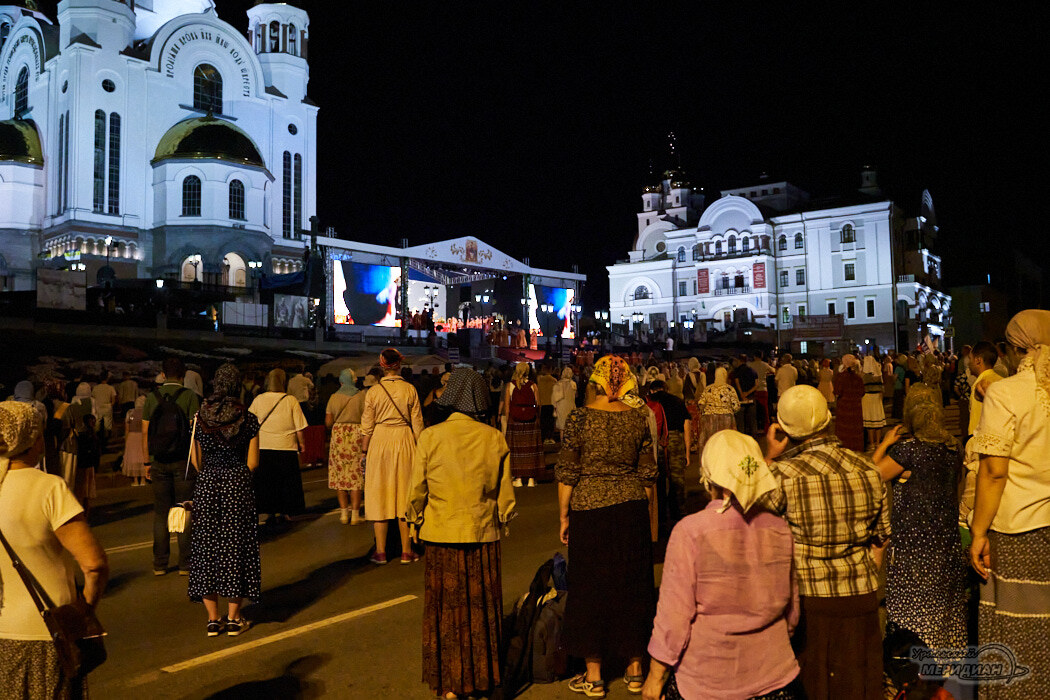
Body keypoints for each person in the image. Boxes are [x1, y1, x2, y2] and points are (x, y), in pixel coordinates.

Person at [644, 430, 802, 700]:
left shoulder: (690, 532)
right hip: (774, 676)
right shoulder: (779, 528)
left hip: (706, 681)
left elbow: (674, 616)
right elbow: (792, 613)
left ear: (710, 478)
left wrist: (656, 676)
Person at [764, 385, 890, 700]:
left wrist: (768, 456)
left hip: (808, 600)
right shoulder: (868, 469)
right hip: (860, 597)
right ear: (828, 419)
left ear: (785, 428)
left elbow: (755, 523)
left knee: (814, 686)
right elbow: (881, 539)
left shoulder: (782, 475)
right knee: (858, 687)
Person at [408, 368, 516, 700]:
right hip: (482, 534)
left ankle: (451, 686)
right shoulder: (493, 437)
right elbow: (505, 495)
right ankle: (480, 679)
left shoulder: (430, 436)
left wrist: (413, 519)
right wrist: (503, 518)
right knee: (479, 610)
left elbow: (416, 490)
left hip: (441, 534)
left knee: (446, 611)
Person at [556, 355, 656, 699]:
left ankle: (595, 675)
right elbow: (647, 474)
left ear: (596, 382)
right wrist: (642, 513)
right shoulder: (638, 417)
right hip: (631, 508)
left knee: (589, 586)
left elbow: (568, 472)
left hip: (590, 509)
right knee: (633, 584)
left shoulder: (580, 418)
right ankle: (635, 670)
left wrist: (564, 516)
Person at [0, 401, 109, 697]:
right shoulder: (48, 488)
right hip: (47, 633)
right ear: (34, 439)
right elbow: (94, 564)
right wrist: (83, 611)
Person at [970, 310, 1050, 698]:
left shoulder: (1006, 393)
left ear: (1015, 349)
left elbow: (993, 473)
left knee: (1018, 633)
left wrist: (978, 532)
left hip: (1020, 531)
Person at [873, 385, 967, 657]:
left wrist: (885, 443)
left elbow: (871, 474)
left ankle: (914, 665)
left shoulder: (908, 452)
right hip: (945, 541)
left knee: (913, 606)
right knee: (943, 606)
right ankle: (947, 662)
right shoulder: (954, 448)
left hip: (913, 545)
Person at [187, 364, 261, 638]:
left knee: (207, 549)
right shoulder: (248, 418)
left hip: (207, 486)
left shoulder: (199, 418)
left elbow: (196, 461)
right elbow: (253, 462)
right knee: (235, 547)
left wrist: (210, 472)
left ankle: (212, 619)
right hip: (237, 486)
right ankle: (233, 618)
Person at [361, 349, 424, 565]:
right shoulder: (410, 390)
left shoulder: (373, 392)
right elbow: (418, 425)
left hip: (380, 441)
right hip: (405, 440)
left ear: (382, 364)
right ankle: (407, 551)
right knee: (404, 494)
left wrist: (363, 452)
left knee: (379, 493)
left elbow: (366, 427)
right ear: (399, 365)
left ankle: (380, 551)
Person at [142, 357, 200, 575]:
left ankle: (160, 564)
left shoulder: (151, 398)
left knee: (161, 513)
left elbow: (146, 433)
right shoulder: (190, 397)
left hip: (158, 462)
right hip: (183, 463)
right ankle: (185, 564)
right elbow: (196, 435)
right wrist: (197, 464)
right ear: (183, 375)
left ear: (163, 375)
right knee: (184, 511)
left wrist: (147, 461)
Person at [248, 369, 308, 526]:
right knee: (285, 482)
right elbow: (299, 426)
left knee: (267, 482)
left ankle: (269, 511)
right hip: (286, 447)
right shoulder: (290, 400)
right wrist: (302, 443)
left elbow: (250, 423)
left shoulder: (259, 399)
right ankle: (285, 511)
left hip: (264, 447)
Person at [326, 369, 369, 525]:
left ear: (341, 381)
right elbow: (367, 418)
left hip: (339, 435)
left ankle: (344, 514)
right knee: (355, 475)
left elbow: (328, 422)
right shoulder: (361, 396)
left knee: (340, 475)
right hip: (356, 435)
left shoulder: (333, 398)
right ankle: (356, 515)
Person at [647, 380, 692, 522]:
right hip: (675, 439)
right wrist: (687, 453)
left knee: (659, 479)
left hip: (656, 441)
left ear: (652, 390)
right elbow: (686, 427)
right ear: (666, 388)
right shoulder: (677, 401)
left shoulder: (648, 403)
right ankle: (680, 514)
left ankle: (659, 517)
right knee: (677, 479)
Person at [503, 362, 543, 488]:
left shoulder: (511, 385)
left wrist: (509, 419)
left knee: (517, 450)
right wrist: (536, 417)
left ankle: (518, 478)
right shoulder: (533, 386)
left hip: (515, 420)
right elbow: (538, 404)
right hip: (531, 420)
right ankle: (531, 479)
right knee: (531, 449)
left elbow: (507, 406)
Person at [695, 371, 741, 459]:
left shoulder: (708, 388)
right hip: (726, 418)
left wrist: (709, 410)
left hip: (709, 419)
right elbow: (736, 406)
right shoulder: (729, 389)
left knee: (710, 442)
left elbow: (701, 403)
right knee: (726, 443)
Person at [967, 341, 1002, 438]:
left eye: (970, 359)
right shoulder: (1001, 380)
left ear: (978, 360)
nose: (968, 363)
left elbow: (976, 420)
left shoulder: (979, 385)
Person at [833, 354, 865, 452]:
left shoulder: (841, 377)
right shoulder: (858, 377)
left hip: (844, 407)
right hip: (856, 407)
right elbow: (862, 392)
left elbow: (837, 391)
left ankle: (844, 447)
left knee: (845, 430)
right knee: (855, 428)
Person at [861, 355, 886, 449]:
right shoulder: (878, 375)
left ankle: (871, 443)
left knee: (869, 422)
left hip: (867, 398)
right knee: (878, 421)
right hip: (877, 397)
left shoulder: (863, 376)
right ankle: (878, 442)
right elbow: (882, 388)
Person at [122, 395, 147, 485]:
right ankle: (143, 479)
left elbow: (127, 429)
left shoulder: (130, 412)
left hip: (132, 436)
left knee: (133, 458)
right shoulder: (146, 412)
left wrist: (126, 440)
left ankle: (135, 480)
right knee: (143, 457)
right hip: (143, 436)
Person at [748, 352, 776, 431]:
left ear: (754, 356)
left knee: (754, 410)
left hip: (753, 389)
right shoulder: (765, 365)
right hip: (763, 389)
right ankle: (766, 427)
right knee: (765, 409)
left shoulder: (750, 365)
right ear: (762, 356)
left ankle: (755, 427)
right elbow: (774, 371)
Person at [551, 366, 578, 438]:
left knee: (562, 428)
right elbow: (575, 396)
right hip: (571, 406)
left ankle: (562, 444)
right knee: (570, 426)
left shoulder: (558, 384)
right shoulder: (573, 384)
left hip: (561, 407)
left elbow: (554, 399)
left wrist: (555, 408)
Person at [90, 374, 117, 443]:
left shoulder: (95, 388)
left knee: (97, 423)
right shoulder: (110, 388)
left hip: (98, 406)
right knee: (107, 424)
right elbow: (113, 399)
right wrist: (111, 405)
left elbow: (92, 398)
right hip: (107, 406)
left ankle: (97, 439)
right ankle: (106, 439)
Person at [536, 364, 558, 443]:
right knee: (551, 422)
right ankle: (550, 437)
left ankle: (544, 437)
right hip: (551, 403)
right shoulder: (554, 380)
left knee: (543, 421)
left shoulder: (539, 379)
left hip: (542, 403)